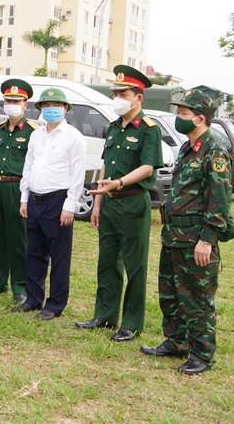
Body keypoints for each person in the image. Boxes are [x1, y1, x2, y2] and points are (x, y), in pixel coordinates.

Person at [140, 89, 232, 375]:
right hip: (174, 235)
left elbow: (219, 200)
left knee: (196, 297)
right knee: (170, 294)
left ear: (200, 118)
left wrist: (207, 239)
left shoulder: (215, 151)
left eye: (183, 114)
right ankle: (176, 341)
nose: (178, 118)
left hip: (195, 238)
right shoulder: (186, 148)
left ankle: (202, 354)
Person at [76, 66, 164, 342]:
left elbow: (148, 167)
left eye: (123, 93)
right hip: (111, 203)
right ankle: (104, 315)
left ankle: (131, 323)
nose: (117, 97)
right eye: (115, 92)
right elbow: (105, 166)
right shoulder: (113, 128)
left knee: (134, 265)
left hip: (133, 202)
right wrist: (99, 203)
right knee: (107, 262)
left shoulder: (149, 129)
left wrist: (121, 183)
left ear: (138, 98)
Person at [13, 88, 85, 320]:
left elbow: (77, 173)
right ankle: (33, 299)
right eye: (46, 105)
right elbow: (29, 166)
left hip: (58, 201)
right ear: (41, 109)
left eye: (56, 105)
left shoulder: (73, 136)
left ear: (65, 109)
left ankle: (55, 304)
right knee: (34, 253)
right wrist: (24, 197)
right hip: (35, 200)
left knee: (59, 256)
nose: (51, 109)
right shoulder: (36, 134)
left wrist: (70, 204)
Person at [0, 79, 39, 305]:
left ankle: (20, 286)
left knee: (19, 238)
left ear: (25, 105)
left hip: (19, 187)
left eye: (16, 101)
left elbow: (34, 165)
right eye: (8, 100)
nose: (11, 104)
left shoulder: (33, 131)